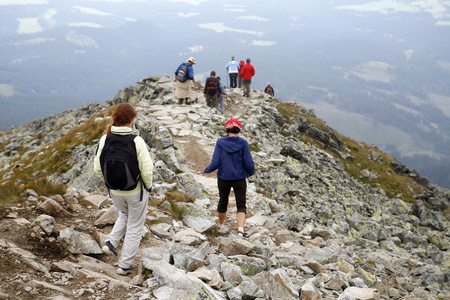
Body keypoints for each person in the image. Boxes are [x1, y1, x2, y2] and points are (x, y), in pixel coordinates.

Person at [94, 103, 153, 276]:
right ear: (131, 120)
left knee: (124, 214)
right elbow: (147, 170)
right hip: (136, 191)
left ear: (115, 118)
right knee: (135, 226)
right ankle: (125, 265)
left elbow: (98, 167)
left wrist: (110, 182)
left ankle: (111, 242)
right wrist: (148, 187)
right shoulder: (137, 141)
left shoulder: (105, 138)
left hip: (115, 190)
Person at [202, 118, 255, 238]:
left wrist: (206, 170)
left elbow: (216, 162)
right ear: (239, 129)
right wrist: (250, 173)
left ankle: (220, 225)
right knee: (241, 203)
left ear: (227, 129)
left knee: (223, 201)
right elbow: (249, 163)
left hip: (223, 178)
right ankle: (240, 230)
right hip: (239, 178)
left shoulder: (220, 143)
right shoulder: (243, 143)